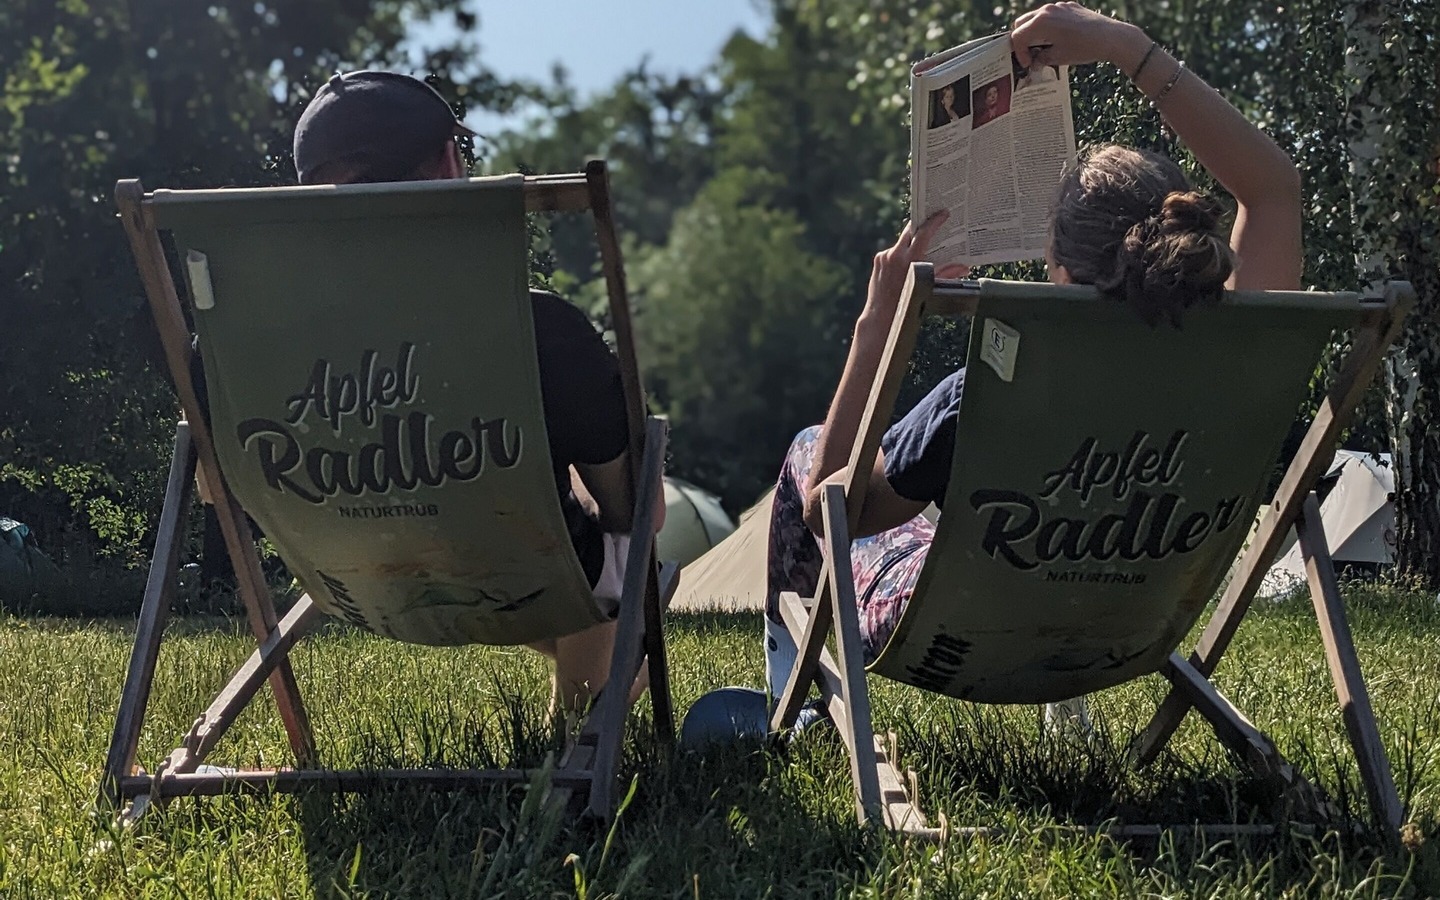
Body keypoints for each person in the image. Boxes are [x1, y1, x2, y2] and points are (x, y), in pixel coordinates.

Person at [762, 1, 1302, 701]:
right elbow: (1274, 187)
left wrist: (877, 324)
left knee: (813, 451)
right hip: (1128, 630)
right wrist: (1123, 45)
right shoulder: (1240, 357)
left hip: (954, 643)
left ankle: (787, 693)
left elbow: (831, 512)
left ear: (1064, 272)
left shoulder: (989, 391)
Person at [208, 71, 662, 716]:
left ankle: (592, 701)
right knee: (628, 539)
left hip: (352, 584)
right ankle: (580, 739)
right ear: (450, 161)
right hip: (523, 580)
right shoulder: (540, 332)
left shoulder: (244, 351)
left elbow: (211, 484)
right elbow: (631, 511)